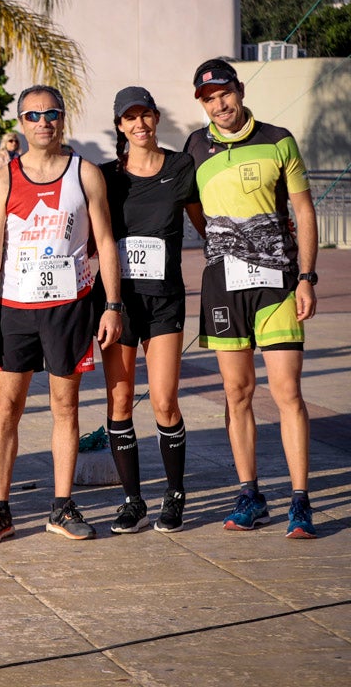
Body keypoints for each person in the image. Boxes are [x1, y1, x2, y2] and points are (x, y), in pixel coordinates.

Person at [0, 84, 123, 543]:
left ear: (62, 118)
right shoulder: (3, 180)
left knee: (65, 406)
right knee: (7, 408)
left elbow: (106, 243)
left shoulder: (85, 174)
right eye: (33, 116)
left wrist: (112, 305)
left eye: (51, 114)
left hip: (69, 309)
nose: (43, 123)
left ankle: (61, 505)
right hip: (14, 310)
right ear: (21, 122)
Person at [183, 59, 319, 539]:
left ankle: (300, 501)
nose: (219, 105)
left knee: (286, 392)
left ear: (239, 90)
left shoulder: (278, 138)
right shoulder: (196, 146)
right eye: (208, 98)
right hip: (224, 285)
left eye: (225, 94)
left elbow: (303, 210)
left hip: (277, 282)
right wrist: (226, 243)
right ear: (201, 103)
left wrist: (306, 277)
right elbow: (194, 210)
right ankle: (250, 494)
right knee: (237, 393)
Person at [97, 87, 203, 534]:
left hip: (164, 300)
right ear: (119, 125)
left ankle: (174, 496)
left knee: (164, 401)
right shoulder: (104, 176)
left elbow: (208, 225)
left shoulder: (181, 167)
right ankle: (132, 501)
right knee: (120, 399)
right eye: (130, 118)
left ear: (156, 118)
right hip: (119, 304)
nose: (139, 124)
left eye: (146, 115)